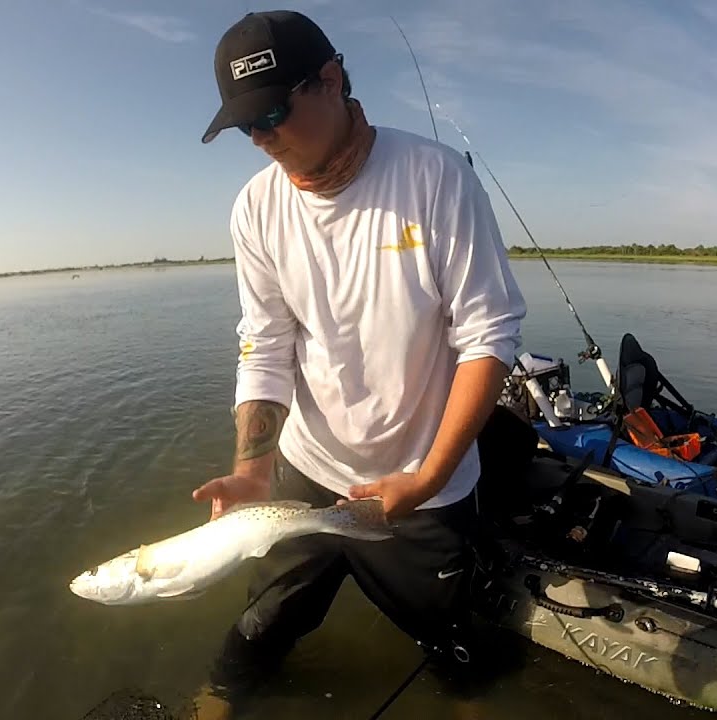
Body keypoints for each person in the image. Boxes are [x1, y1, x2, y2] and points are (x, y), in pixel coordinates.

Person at [191, 9, 528, 717]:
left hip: (421, 482)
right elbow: (265, 342)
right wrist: (254, 468)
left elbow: (489, 336)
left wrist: (428, 475)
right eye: (246, 126)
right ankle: (221, 694)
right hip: (307, 468)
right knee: (265, 619)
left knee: (456, 638)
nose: (262, 139)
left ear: (332, 80)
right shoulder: (254, 209)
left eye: (274, 112)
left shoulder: (435, 179)